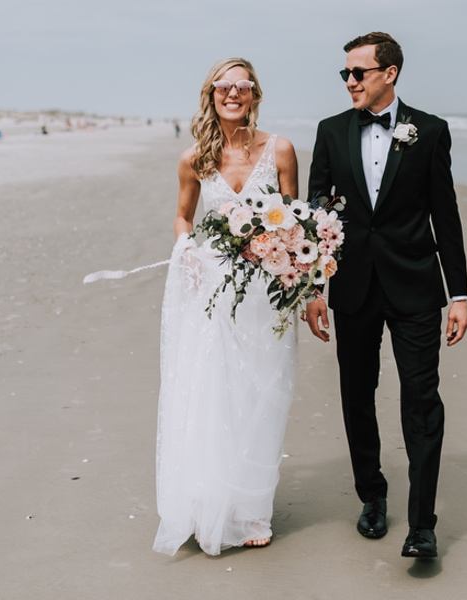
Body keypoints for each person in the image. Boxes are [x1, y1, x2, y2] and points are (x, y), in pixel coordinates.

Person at [305, 32, 467, 559]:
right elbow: (315, 216)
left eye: (359, 72)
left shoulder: (430, 131)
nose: (349, 82)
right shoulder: (330, 133)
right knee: (357, 395)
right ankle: (371, 497)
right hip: (351, 288)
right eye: (345, 74)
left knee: (422, 401)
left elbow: (446, 216)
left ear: (389, 73)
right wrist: (312, 287)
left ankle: (422, 524)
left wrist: (459, 294)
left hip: (416, 287)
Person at [154, 57, 299, 556]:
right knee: (214, 391)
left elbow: (293, 221)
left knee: (263, 393)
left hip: (266, 293)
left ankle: (252, 508)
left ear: (255, 94)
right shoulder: (193, 158)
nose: (233, 93)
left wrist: (299, 279)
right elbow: (181, 216)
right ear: (211, 94)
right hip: (212, 292)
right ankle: (208, 502)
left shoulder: (280, 150)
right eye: (224, 86)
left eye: (243, 85)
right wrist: (187, 250)